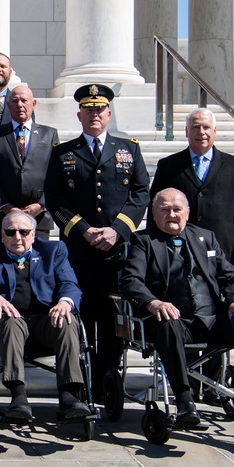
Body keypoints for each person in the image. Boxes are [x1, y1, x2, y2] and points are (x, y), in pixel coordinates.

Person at [119, 188, 234, 429]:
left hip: (212, 318)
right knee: (167, 321)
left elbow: (231, 277)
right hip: (174, 321)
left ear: (187, 212)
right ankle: (184, 401)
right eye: (165, 209)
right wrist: (154, 302)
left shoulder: (206, 237)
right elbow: (130, 280)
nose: (172, 214)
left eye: (177, 209)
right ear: (154, 213)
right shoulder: (143, 241)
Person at [45, 84, 149, 397]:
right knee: (81, 317)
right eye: (88, 109)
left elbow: (141, 193)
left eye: (99, 109)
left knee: (112, 320)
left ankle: (108, 378)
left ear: (108, 113)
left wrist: (118, 229)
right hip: (78, 252)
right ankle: (82, 381)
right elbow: (55, 198)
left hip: (115, 254)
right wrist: (83, 230)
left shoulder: (128, 149)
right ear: (79, 114)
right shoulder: (63, 153)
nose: (94, 114)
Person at [0, 211, 89, 422]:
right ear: (2, 235)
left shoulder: (53, 250)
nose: (17, 237)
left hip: (46, 321)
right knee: (11, 321)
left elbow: (69, 283)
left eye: (24, 232)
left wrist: (64, 302)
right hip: (11, 322)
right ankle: (18, 397)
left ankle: (69, 396)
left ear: (34, 234)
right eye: (10, 232)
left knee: (68, 320)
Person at [150, 107, 234, 273]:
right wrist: (154, 249)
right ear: (186, 132)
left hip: (220, 253)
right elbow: (155, 210)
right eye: (195, 127)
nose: (201, 132)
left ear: (215, 131)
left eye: (206, 127)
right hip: (176, 251)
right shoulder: (168, 166)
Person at [0, 84, 59, 239]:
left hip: (39, 216)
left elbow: (56, 174)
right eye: (15, 101)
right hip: (4, 216)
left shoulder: (49, 134)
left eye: (24, 100)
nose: (20, 105)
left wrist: (41, 204)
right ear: (8, 105)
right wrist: (5, 206)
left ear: (34, 104)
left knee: (38, 261)